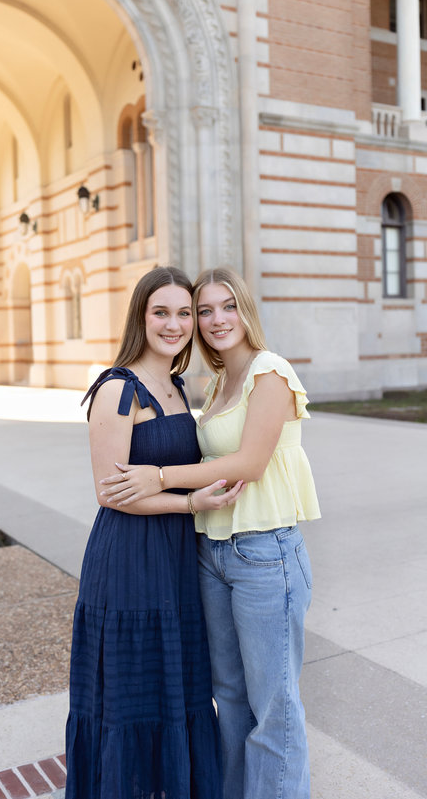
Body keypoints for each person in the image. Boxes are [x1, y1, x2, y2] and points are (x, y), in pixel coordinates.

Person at [99, 266, 321, 799]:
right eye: (204, 310)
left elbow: (249, 463)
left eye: (228, 306)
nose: (216, 319)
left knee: (274, 708)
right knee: (230, 698)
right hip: (213, 552)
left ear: (246, 310)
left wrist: (160, 477)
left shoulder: (270, 371)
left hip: (265, 552)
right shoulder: (218, 383)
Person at [64, 266, 244, 799]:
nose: (175, 324)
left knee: (177, 681)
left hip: (176, 557)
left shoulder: (176, 385)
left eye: (184, 313)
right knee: (131, 690)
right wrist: (190, 502)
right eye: (161, 312)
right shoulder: (118, 389)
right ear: (140, 318)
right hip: (130, 559)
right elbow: (110, 492)